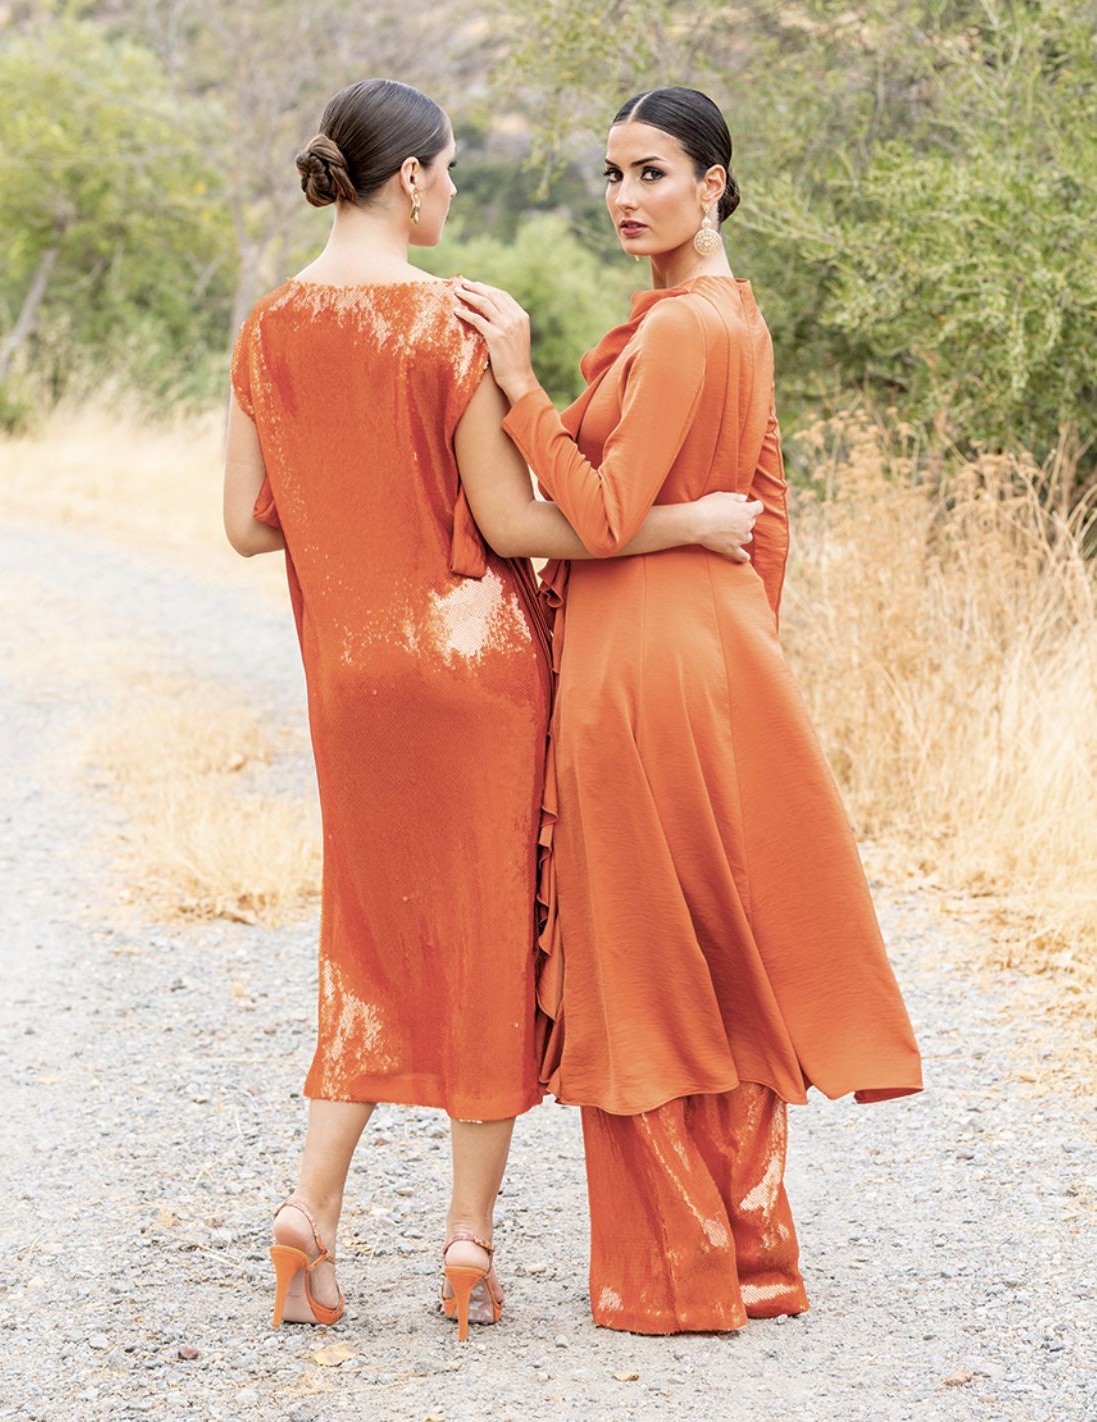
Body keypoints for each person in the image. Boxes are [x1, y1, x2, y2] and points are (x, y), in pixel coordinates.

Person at [223, 78, 760, 1338]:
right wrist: (687, 522)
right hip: (476, 670)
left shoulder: (267, 328)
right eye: (451, 168)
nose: (456, 189)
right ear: (409, 178)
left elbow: (246, 526)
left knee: (365, 939)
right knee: (487, 942)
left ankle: (309, 1215)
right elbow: (518, 523)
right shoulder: (452, 321)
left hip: (350, 677)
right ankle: (466, 1244)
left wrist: (352, 518)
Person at [456, 85, 924, 1335]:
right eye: (611, 175)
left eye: (651, 173)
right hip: (715, 654)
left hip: (638, 663)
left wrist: (518, 386)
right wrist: (738, 640)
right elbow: (767, 513)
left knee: (640, 958)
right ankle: (752, 1257)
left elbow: (604, 515)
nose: (624, 198)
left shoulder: (675, 331)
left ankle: (673, 1272)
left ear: (712, 181)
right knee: (721, 949)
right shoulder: (737, 316)